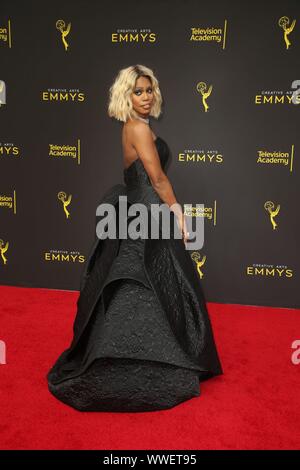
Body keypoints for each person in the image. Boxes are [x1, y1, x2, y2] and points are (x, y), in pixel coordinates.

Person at [47, 64, 223, 412]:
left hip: (141, 208)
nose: (145, 97)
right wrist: (179, 213)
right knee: (144, 282)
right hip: (148, 211)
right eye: (138, 91)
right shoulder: (137, 129)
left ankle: (157, 351)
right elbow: (157, 179)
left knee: (156, 282)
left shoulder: (138, 126)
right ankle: (135, 357)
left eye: (149, 90)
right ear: (126, 95)